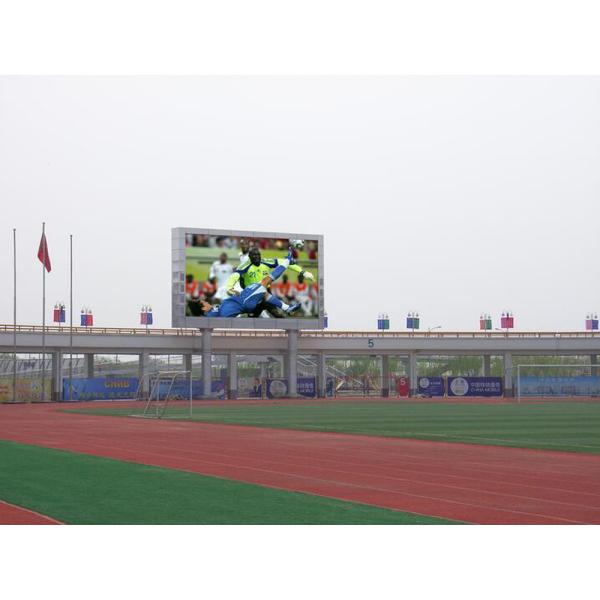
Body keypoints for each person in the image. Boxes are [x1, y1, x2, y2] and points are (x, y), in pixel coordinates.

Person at [200, 253, 301, 318]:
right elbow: (223, 318)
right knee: (265, 282)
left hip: (243, 297)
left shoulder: (213, 311)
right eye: (204, 303)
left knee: (264, 292)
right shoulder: (213, 315)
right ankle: (288, 261)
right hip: (244, 302)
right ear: (203, 309)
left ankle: (286, 308)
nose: (206, 302)